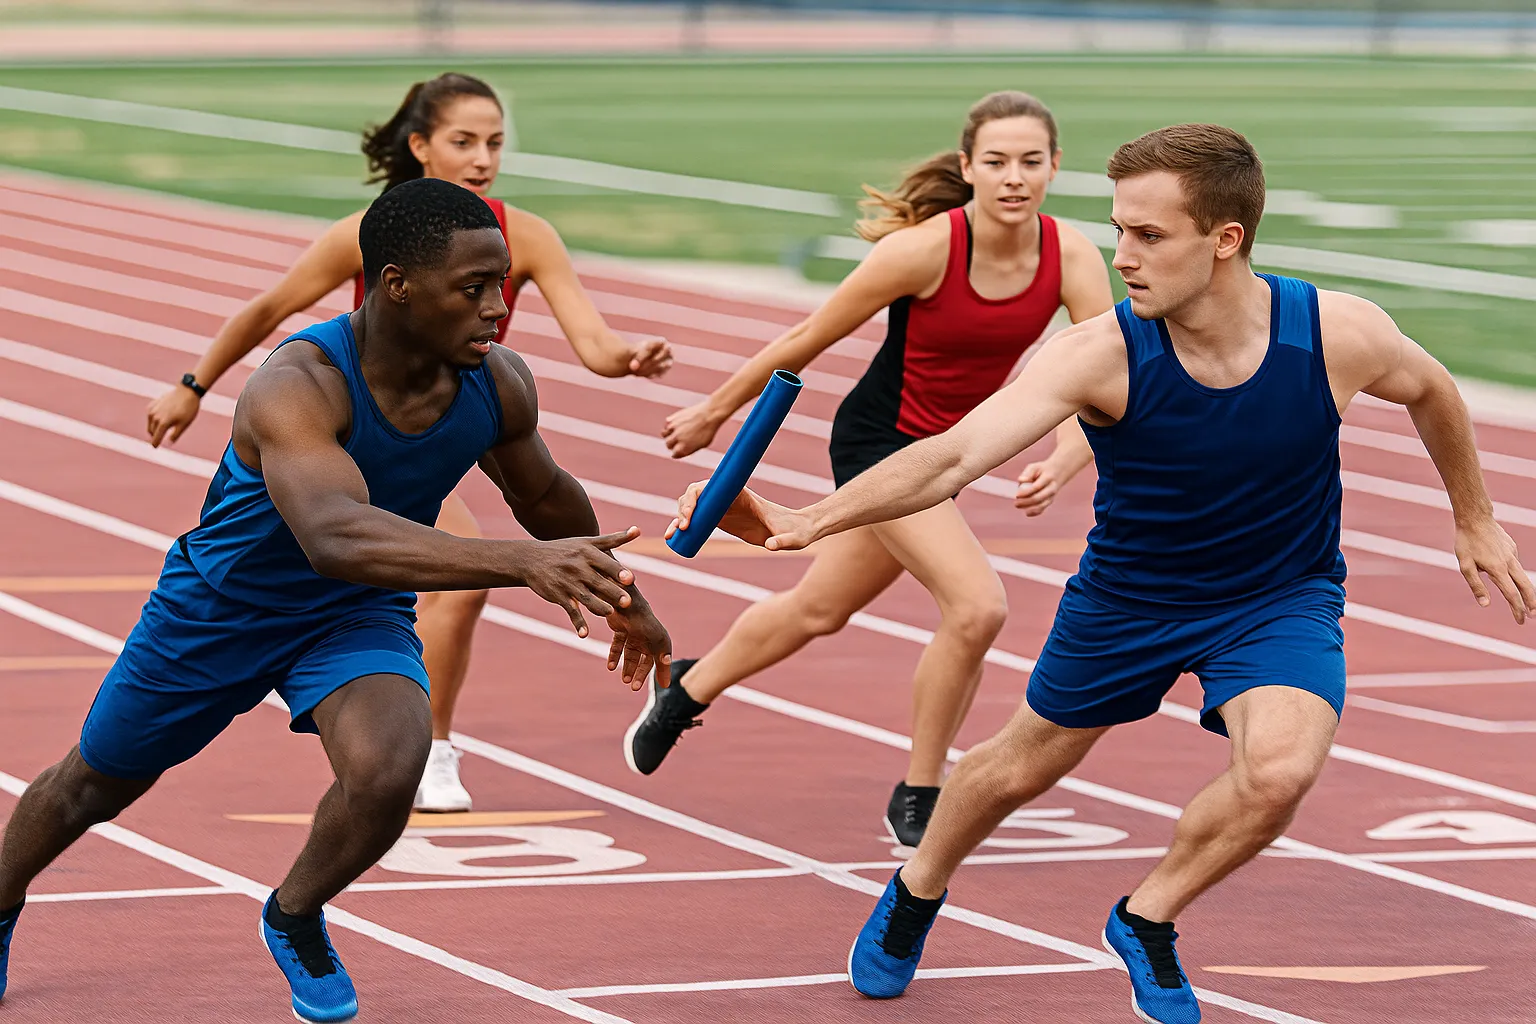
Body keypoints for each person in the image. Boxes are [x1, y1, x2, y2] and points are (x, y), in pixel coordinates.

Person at [669, 124, 1533, 1023]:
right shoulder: (1100, 354)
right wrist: (809, 520)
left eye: (1149, 237)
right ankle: (917, 888)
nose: (1121, 257)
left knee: (1279, 773)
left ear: (1225, 239)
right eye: (1118, 229)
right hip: (1129, 603)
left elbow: (1433, 388)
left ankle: (1146, 916)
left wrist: (1474, 515)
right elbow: (952, 456)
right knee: (1011, 771)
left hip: (1278, 598)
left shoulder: (1334, 332)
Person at [0, 178, 672, 1023]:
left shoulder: (497, 383)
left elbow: (546, 500)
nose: (498, 309)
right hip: (221, 609)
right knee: (88, 788)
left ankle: (296, 913)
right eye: (475, 288)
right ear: (397, 284)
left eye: (502, 285)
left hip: (352, 612)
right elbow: (337, 535)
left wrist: (621, 595)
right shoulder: (300, 383)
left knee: (392, 768)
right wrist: (521, 564)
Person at [145, 72, 673, 813]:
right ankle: (420, 743)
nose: (483, 157)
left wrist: (628, 358)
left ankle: (427, 746)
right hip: (351, 438)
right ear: (421, 146)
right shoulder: (364, 235)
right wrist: (192, 386)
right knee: (421, 583)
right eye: (464, 141)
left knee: (460, 584)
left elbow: (593, 342)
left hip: (448, 431)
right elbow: (270, 307)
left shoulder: (526, 236)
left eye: (494, 141)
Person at [625, 90, 1113, 848]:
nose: (1013, 177)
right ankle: (920, 792)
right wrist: (714, 411)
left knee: (820, 608)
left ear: (1055, 166)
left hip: (948, 456)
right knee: (977, 606)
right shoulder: (923, 252)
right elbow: (807, 336)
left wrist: (1067, 455)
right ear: (968, 167)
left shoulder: (1071, 256)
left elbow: (1109, 370)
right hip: (880, 446)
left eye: (1029, 162)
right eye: (996, 162)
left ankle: (685, 689)